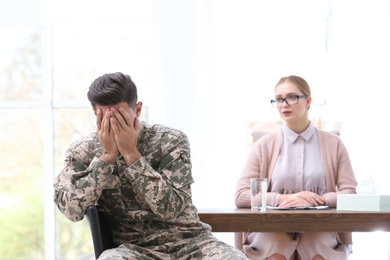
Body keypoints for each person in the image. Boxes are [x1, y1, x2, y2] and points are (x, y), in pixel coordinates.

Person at [54, 72, 247, 260]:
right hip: (132, 249)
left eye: (120, 118)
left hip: (191, 243)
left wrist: (131, 155)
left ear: (137, 110)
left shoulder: (170, 141)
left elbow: (171, 209)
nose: (113, 125)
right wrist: (106, 158)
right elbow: (71, 211)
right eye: (105, 118)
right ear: (95, 114)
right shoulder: (82, 151)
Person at [235, 75, 357, 260]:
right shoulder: (263, 145)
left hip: (321, 227)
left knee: (318, 255)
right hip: (272, 227)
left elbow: (350, 193)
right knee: (277, 256)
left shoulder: (334, 144)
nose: (284, 104)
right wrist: (284, 198)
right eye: (279, 99)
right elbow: (241, 195)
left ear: (308, 101)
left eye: (292, 97)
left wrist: (318, 200)